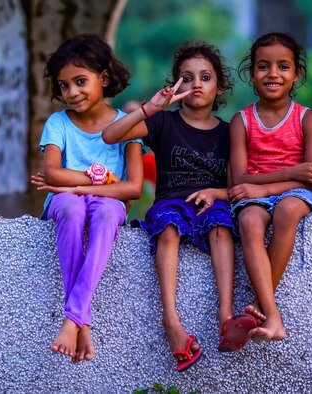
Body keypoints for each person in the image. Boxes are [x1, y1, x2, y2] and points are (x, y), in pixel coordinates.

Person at [103, 41, 246, 371]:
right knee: (167, 227)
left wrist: (217, 193)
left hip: (213, 203)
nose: (196, 84)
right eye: (187, 77)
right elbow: (111, 135)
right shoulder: (163, 123)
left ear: (219, 86)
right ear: (176, 83)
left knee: (222, 226)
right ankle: (172, 322)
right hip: (171, 202)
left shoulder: (228, 132)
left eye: (205, 77)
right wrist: (151, 108)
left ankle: (226, 316)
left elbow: (236, 186)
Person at [30, 33, 143, 363]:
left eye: (80, 81)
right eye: (64, 86)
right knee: (69, 207)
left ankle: (73, 320)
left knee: (106, 213)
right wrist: (100, 180)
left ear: (104, 78)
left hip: (108, 204)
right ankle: (81, 320)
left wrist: (80, 185)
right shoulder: (59, 123)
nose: (72, 92)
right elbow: (52, 174)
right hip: (67, 200)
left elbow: (133, 187)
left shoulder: (127, 125)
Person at [228, 32, 312, 343]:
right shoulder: (241, 121)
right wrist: (288, 174)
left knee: (286, 210)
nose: (273, 74)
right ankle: (272, 317)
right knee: (248, 220)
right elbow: (240, 178)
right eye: (263, 66)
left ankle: (263, 309)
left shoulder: (306, 119)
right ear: (251, 74)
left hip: (297, 194)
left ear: (296, 74)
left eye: (283, 66)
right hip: (257, 194)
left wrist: (267, 188)